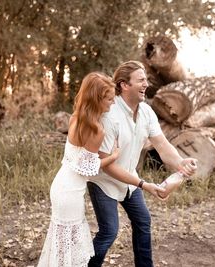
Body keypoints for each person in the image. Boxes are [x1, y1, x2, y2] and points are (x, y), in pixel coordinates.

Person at [37, 72, 165, 267]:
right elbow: (87, 168)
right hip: (71, 192)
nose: (113, 103)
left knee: (62, 240)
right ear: (97, 99)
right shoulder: (96, 130)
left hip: (60, 184)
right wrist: (113, 156)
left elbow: (75, 160)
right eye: (109, 99)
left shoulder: (75, 118)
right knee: (72, 241)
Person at [87, 61, 197, 267]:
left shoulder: (146, 112)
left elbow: (163, 145)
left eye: (146, 79)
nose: (147, 83)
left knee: (143, 222)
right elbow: (105, 164)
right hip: (104, 182)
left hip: (130, 180)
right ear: (124, 85)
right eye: (141, 80)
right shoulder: (109, 116)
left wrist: (181, 162)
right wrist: (144, 185)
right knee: (109, 232)